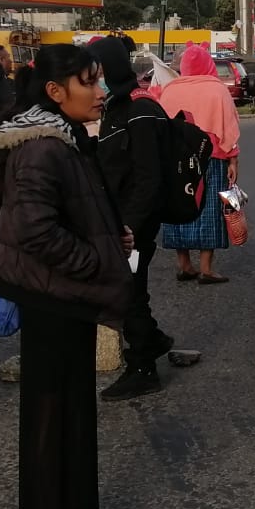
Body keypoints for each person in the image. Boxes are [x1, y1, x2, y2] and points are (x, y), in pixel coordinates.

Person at [0, 45, 135, 509]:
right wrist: (93, 260)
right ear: (55, 91)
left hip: (66, 291)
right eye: (89, 83)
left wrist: (109, 235)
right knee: (51, 415)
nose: (102, 93)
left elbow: (73, 208)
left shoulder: (63, 133)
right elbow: (31, 229)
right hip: (50, 293)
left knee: (75, 408)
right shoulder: (40, 145)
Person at [91, 35, 172, 401]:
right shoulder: (117, 105)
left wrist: (130, 228)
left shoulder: (140, 111)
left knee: (128, 292)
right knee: (128, 289)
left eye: (98, 74)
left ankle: (143, 366)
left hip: (133, 223)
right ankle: (151, 339)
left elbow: (148, 177)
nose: (94, 82)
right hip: (121, 220)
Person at [158, 42, 241, 283]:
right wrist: (233, 160)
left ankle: (184, 264)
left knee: (177, 206)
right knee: (209, 210)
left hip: (177, 162)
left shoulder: (170, 90)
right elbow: (228, 129)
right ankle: (206, 268)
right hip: (211, 158)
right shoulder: (217, 90)